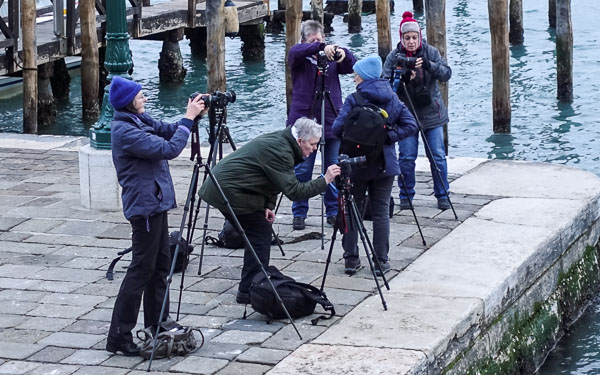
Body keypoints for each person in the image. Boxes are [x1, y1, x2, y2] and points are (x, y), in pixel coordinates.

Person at [106, 76, 206, 356]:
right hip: (145, 209)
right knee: (141, 270)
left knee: (161, 267)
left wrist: (193, 115)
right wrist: (188, 118)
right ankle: (118, 337)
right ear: (128, 101)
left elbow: (170, 130)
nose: (145, 99)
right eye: (140, 97)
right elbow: (170, 148)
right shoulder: (125, 131)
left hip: (157, 203)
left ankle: (158, 324)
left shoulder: (139, 119)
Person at [198, 118, 341, 303]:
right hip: (228, 190)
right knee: (259, 236)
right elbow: (295, 191)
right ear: (300, 141)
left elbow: (272, 178)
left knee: (258, 233)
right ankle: (249, 290)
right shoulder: (281, 150)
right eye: (313, 144)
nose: (315, 149)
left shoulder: (284, 143)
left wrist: (267, 206)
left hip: (232, 186)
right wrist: (325, 180)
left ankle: (254, 284)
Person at [332, 56, 418, 276]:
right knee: (380, 213)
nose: (354, 77)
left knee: (353, 211)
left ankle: (351, 259)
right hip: (384, 164)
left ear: (363, 76)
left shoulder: (354, 99)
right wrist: (387, 137)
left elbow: (336, 129)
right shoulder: (393, 98)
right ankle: (381, 261)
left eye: (356, 74)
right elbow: (411, 124)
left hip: (355, 164)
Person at [287, 20, 357, 230]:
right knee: (302, 170)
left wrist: (341, 53)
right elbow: (295, 52)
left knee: (333, 168)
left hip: (331, 120)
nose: (319, 44)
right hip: (305, 122)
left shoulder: (330, 58)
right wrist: (318, 47)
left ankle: (333, 211)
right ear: (305, 40)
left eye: (321, 39)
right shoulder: (298, 57)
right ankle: (299, 212)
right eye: (313, 40)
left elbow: (351, 65)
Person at [383, 11, 453, 210]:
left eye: (414, 37)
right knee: (406, 157)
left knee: (437, 156)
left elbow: (446, 74)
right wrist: (402, 77)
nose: (411, 42)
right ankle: (406, 196)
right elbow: (385, 86)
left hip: (432, 114)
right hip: (406, 115)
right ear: (402, 38)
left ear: (419, 37)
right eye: (407, 38)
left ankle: (443, 195)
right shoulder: (394, 57)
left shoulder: (430, 52)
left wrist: (429, 66)